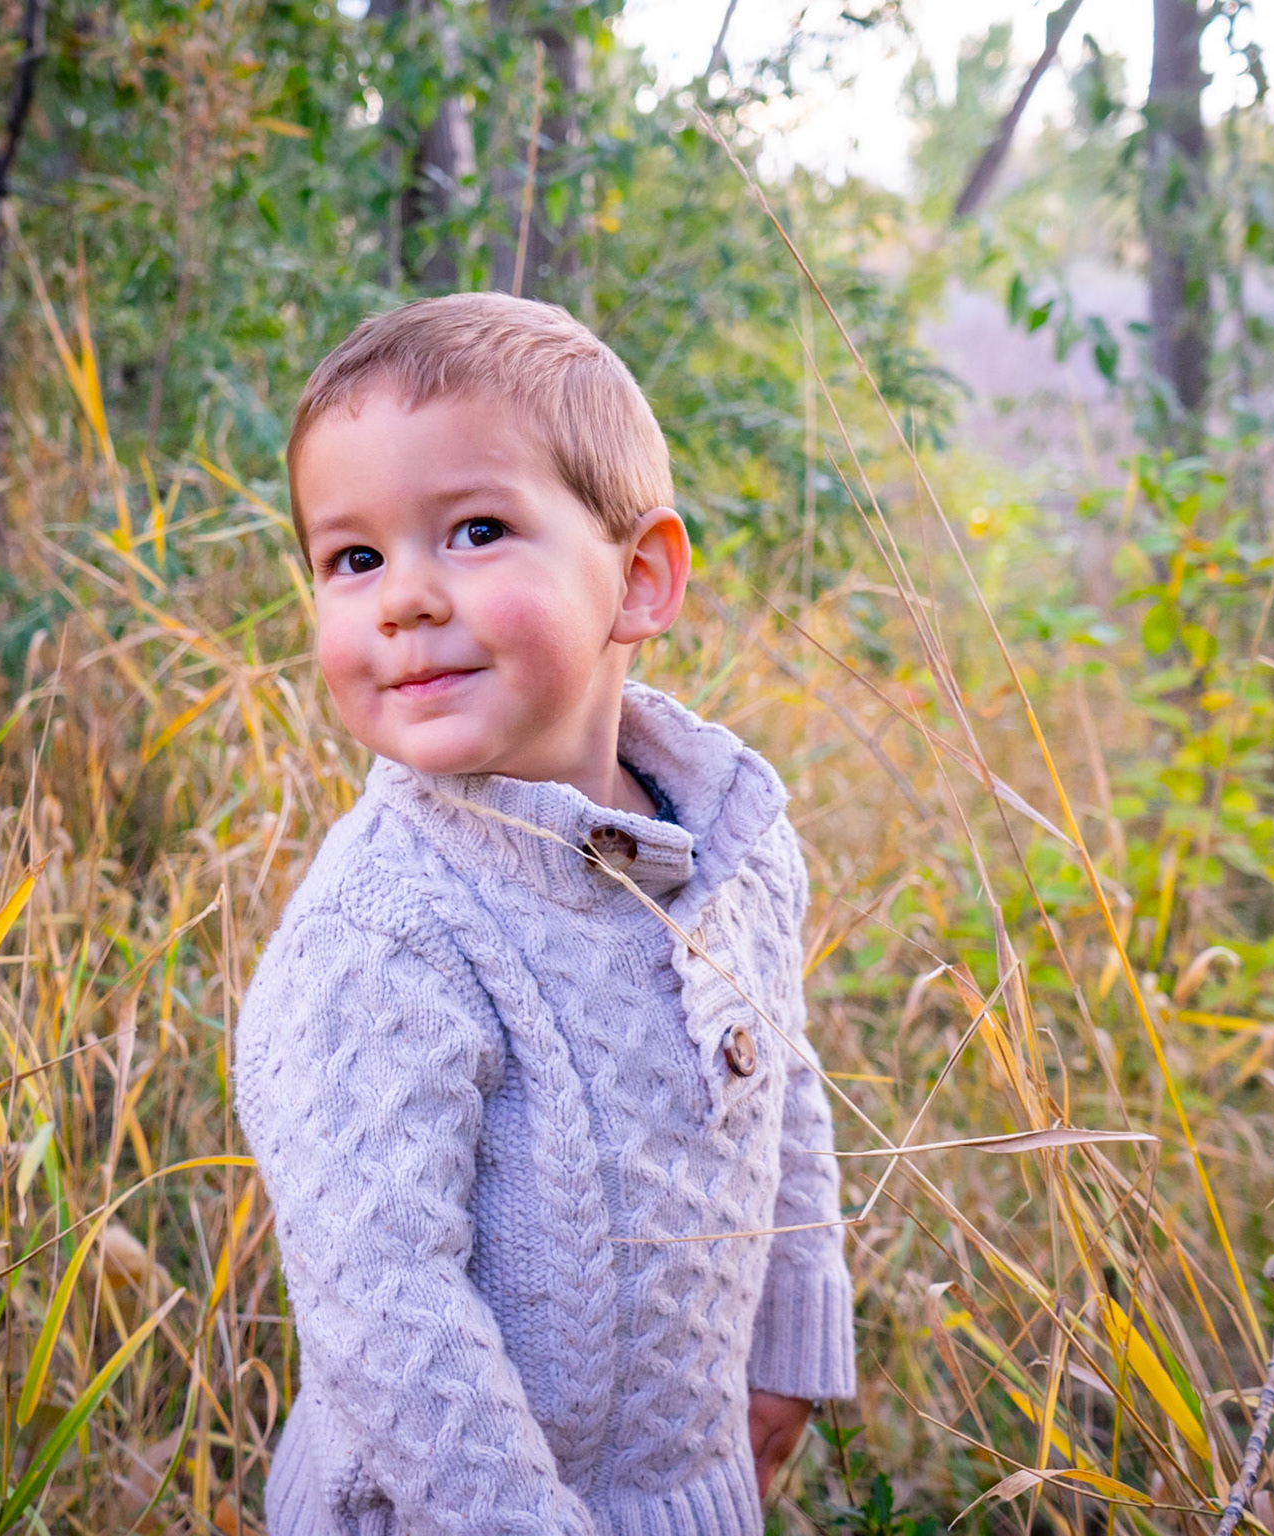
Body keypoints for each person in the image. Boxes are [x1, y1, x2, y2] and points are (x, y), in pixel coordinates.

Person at [234, 291, 856, 1536]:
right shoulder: (383, 932)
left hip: (680, 1487)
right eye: (354, 559)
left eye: (475, 531)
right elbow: (385, 1310)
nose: (404, 598)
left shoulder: (730, 843)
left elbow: (774, 1083)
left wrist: (792, 1334)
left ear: (639, 578)